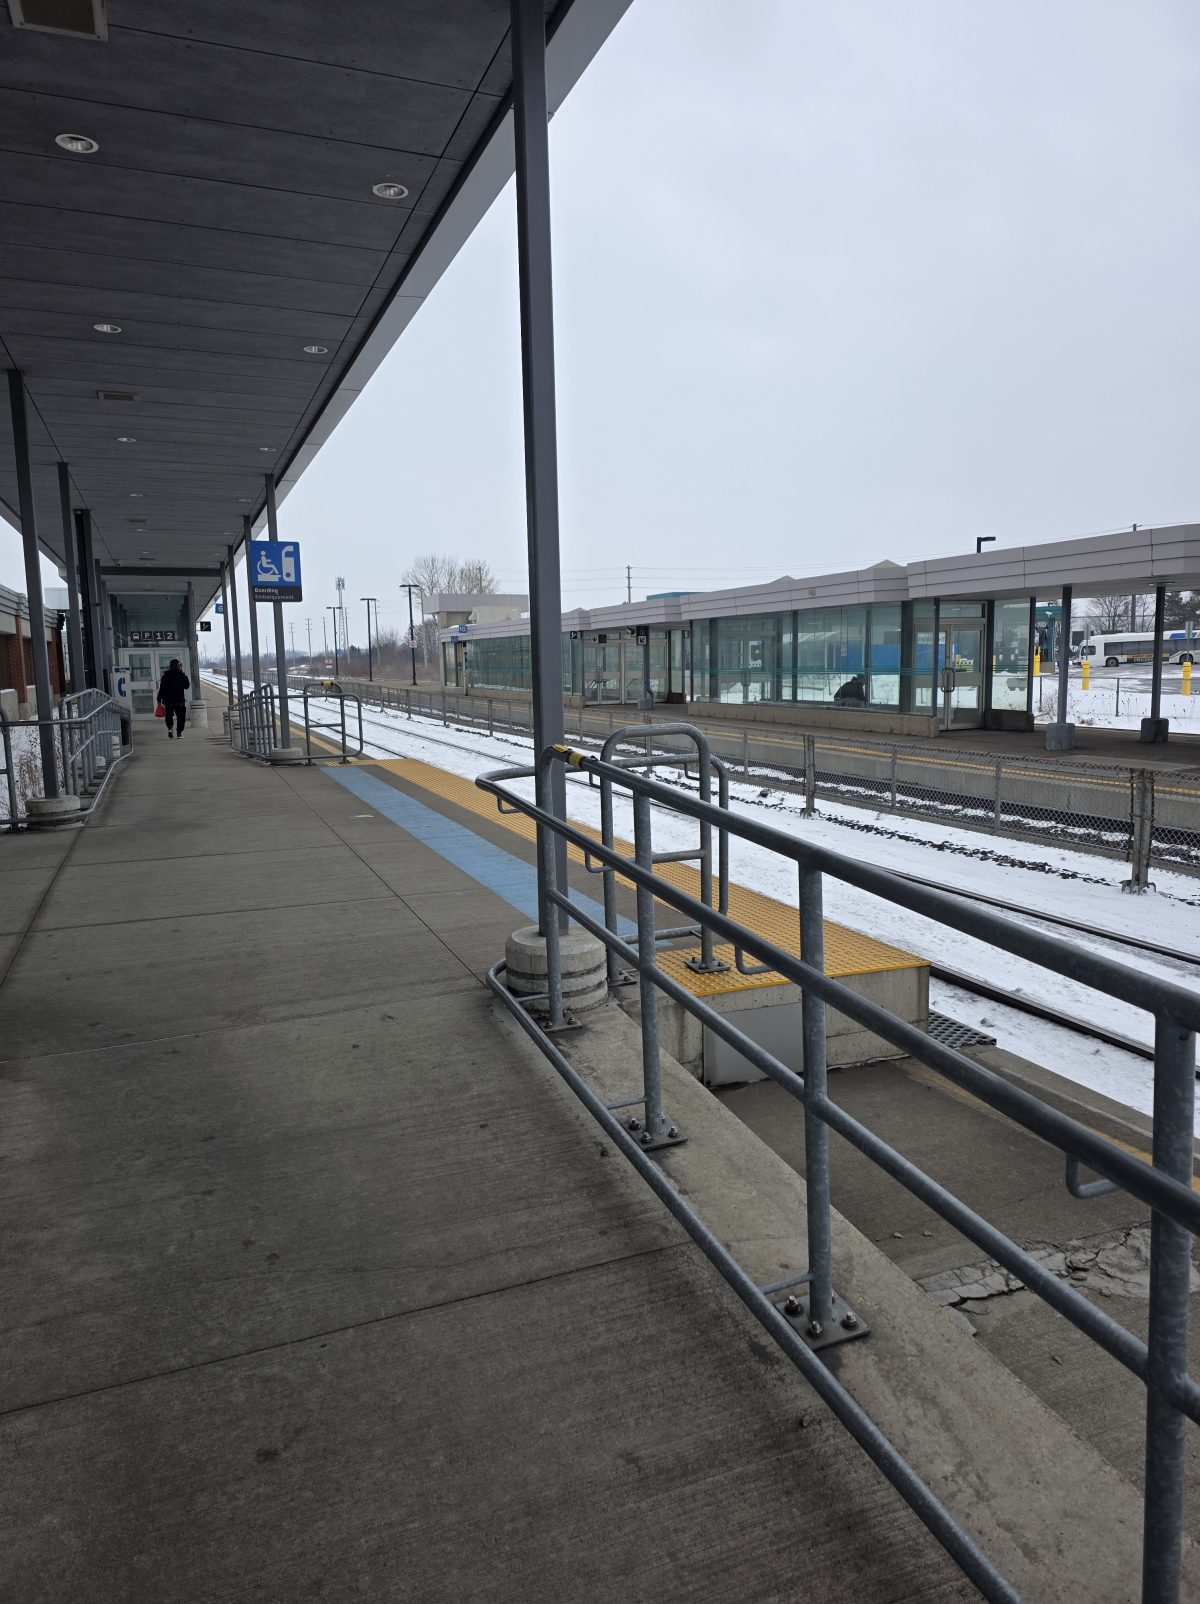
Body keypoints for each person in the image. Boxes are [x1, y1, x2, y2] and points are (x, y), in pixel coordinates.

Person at [156, 658, 191, 738]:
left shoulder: (165, 676)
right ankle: (179, 733)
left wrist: (159, 699)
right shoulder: (181, 676)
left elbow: (162, 689)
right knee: (181, 717)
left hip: (168, 700)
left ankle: (170, 728)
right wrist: (182, 673)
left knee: (169, 716)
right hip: (179, 700)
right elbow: (187, 686)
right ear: (178, 666)